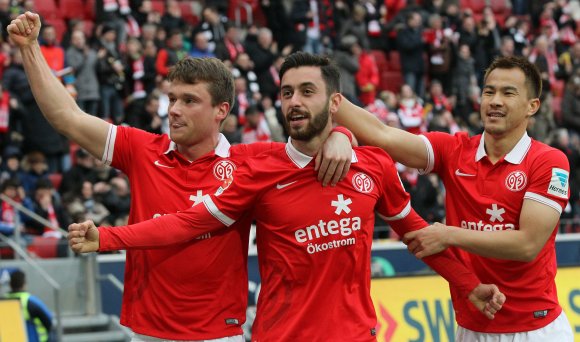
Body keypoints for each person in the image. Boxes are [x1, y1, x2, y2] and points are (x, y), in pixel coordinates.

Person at [68, 52, 505, 341]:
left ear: (335, 102)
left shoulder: (374, 165)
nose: (294, 102)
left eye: (307, 92)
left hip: (355, 333)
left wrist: (467, 285)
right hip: (280, 334)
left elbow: (417, 233)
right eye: (286, 93)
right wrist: (108, 238)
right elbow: (187, 221)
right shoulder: (257, 170)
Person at [8, 11, 352, 341]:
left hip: (219, 335)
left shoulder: (253, 160)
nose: (173, 109)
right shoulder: (141, 149)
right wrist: (29, 48)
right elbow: (67, 117)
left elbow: (314, 138)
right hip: (146, 334)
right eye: (172, 98)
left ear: (222, 111)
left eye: (189, 100)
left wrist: (341, 135)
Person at [333, 56, 574, 340]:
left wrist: (448, 235)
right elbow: (381, 134)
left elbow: (527, 245)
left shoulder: (549, 162)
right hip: (472, 327)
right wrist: (330, 102)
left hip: (536, 330)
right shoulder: (454, 151)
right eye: (489, 91)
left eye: (508, 93)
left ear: (532, 106)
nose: (495, 101)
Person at [5, 270, 54, 342]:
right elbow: (48, 321)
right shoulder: (31, 301)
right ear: (24, 284)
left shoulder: (3, 301)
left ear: (10, 284)